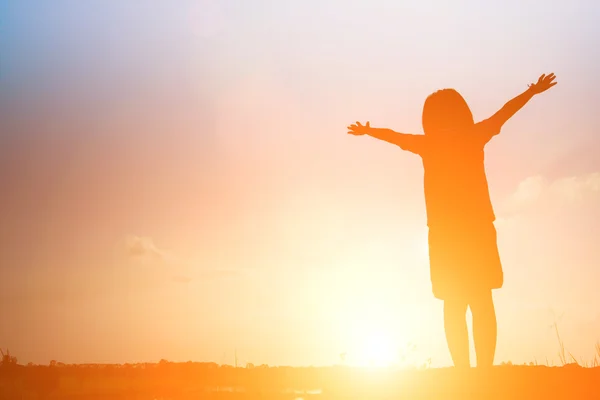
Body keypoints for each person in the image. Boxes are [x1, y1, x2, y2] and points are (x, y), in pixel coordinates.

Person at [347, 73, 557, 368]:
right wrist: (532, 92)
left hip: (445, 232)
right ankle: (484, 370)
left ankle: (463, 370)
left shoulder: (428, 143)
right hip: (476, 229)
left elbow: (394, 136)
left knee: (454, 302)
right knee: (481, 299)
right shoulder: (473, 135)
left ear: (428, 118)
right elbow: (506, 111)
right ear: (463, 112)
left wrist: (370, 132)